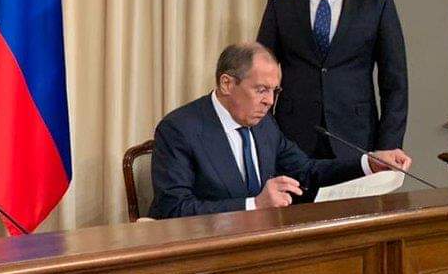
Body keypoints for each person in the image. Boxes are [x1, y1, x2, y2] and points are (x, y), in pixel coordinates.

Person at [149, 42, 411, 219]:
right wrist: (254, 205)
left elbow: (307, 172)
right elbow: (173, 208)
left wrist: (368, 162)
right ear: (227, 84)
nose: (269, 101)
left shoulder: (265, 124)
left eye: (275, 91)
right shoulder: (179, 129)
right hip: (207, 256)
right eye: (261, 90)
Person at [256, 0, 407, 158]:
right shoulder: (280, 5)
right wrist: (265, 135)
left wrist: (388, 145)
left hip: (356, 137)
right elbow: (259, 74)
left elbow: (395, 82)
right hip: (291, 137)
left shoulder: (377, 3)